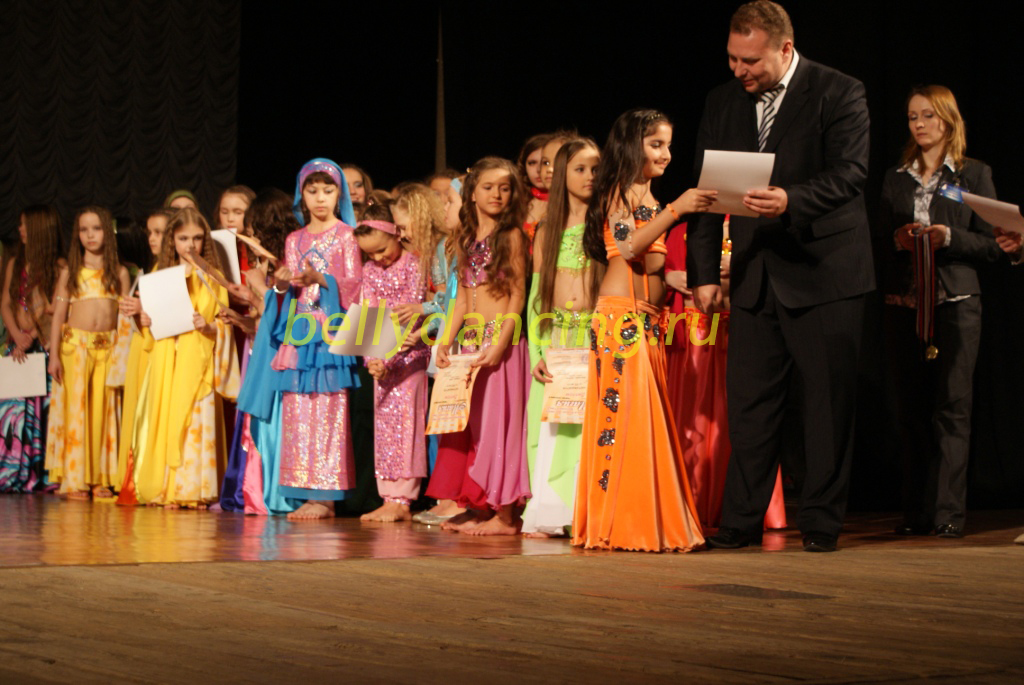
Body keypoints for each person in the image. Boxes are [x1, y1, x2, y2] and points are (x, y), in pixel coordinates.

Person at [688, 1, 874, 552]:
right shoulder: (723, 101)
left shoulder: (839, 91)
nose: (739, 70)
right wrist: (703, 272)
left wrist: (791, 199)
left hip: (824, 274)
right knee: (750, 406)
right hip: (755, 274)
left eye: (750, 60)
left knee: (825, 407)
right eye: (732, 58)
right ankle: (740, 521)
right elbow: (706, 189)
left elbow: (850, 173)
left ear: (785, 48)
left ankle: (819, 522)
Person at [575, 108, 713, 552]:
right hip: (622, 318)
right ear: (630, 145)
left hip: (648, 318)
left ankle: (640, 518)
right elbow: (628, 245)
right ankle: (623, 522)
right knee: (624, 419)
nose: (666, 154)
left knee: (642, 420)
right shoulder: (619, 192)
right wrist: (677, 209)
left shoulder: (647, 196)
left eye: (668, 145)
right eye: (656, 144)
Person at [881, 85, 1010, 539]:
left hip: (956, 302)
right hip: (906, 303)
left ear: (948, 120)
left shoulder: (973, 175)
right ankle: (916, 512)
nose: (919, 125)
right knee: (912, 410)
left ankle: (948, 514)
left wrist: (948, 238)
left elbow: (996, 244)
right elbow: (877, 239)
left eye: (928, 116)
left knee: (952, 409)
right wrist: (898, 239)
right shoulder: (896, 177)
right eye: (912, 117)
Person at [664, 219, 787, 531]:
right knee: (695, 417)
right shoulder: (684, 229)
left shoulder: (755, 227)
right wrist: (669, 277)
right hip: (695, 333)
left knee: (744, 417)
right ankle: (692, 498)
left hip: (741, 325)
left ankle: (746, 504)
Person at [431, 156, 532, 536]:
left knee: (498, 427)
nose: (497, 195)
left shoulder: (512, 236)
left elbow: (516, 295)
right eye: (489, 187)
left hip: (500, 344)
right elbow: (461, 300)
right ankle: (479, 505)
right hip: (470, 343)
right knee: (470, 427)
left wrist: (501, 343)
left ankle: (505, 514)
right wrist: (445, 342)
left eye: (505, 188)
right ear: (472, 193)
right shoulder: (465, 239)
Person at [132, 207, 241, 508]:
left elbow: (224, 323)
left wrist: (209, 327)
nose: (190, 245)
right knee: (167, 420)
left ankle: (193, 489)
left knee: (194, 423)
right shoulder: (160, 276)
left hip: (199, 361)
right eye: (183, 238)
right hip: (168, 360)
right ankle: (168, 488)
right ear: (172, 240)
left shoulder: (213, 276)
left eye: (197, 238)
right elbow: (150, 327)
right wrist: (143, 318)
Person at [271, 158, 362, 520]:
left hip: (330, 334)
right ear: (301, 195)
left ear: (340, 195)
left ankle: (326, 496)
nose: (320, 198)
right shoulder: (294, 240)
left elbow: (356, 287)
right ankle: (304, 490)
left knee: (329, 411)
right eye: (312, 191)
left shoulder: (347, 236)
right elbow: (289, 291)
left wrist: (321, 280)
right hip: (299, 335)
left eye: (328, 190)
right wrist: (281, 284)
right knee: (298, 411)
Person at [523, 137, 600, 537]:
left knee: (586, 427)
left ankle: (584, 511)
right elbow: (538, 294)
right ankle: (552, 513)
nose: (590, 176)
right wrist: (538, 349)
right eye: (580, 169)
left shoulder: (605, 225)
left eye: (596, 169)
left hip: (591, 337)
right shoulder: (547, 230)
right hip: (556, 340)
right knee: (551, 424)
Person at [45, 207, 131, 498]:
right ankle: (75, 479)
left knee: (102, 415)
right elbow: (58, 316)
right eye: (84, 230)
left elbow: (124, 318)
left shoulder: (119, 273)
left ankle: (99, 478)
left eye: (96, 228)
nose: (90, 235)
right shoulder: (71, 272)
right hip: (76, 350)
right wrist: (54, 356)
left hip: (106, 350)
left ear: (108, 231)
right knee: (77, 414)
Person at [354, 203, 430, 522]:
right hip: (383, 363)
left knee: (407, 425)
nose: (378, 258)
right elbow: (369, 314)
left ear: (395, 234)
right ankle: (388, 496)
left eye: (382, 249)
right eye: (370, 254)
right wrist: (373, 360)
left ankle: (404, 498)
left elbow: (411, 314)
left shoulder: (414, 264)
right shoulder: (370, 271)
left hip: (410, 357)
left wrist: (392, 357)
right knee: (385, 427)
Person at [0, 206, 62, 493]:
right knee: (12, 413)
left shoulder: (58, 267)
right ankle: (13, 467)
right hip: (18, 350)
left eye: (25, 225)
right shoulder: (16, 263)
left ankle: (40, 470)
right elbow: (5, 303)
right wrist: (16, 335)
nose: (20, 230)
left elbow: (57, 312)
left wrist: (32, 336)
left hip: (43, 349)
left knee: (42, 413)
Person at [115, 208, 174, 504]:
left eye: (159, 232)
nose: (152, 238)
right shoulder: (150, 270)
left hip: (160, 350)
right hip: (143, 347)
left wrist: (143, 310)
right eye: (150, 232)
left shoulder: (172, 272)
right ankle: (136, 473)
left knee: (154, 414)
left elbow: (172, 316)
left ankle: (153, 478)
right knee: (141, 413)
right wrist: (135, 312)